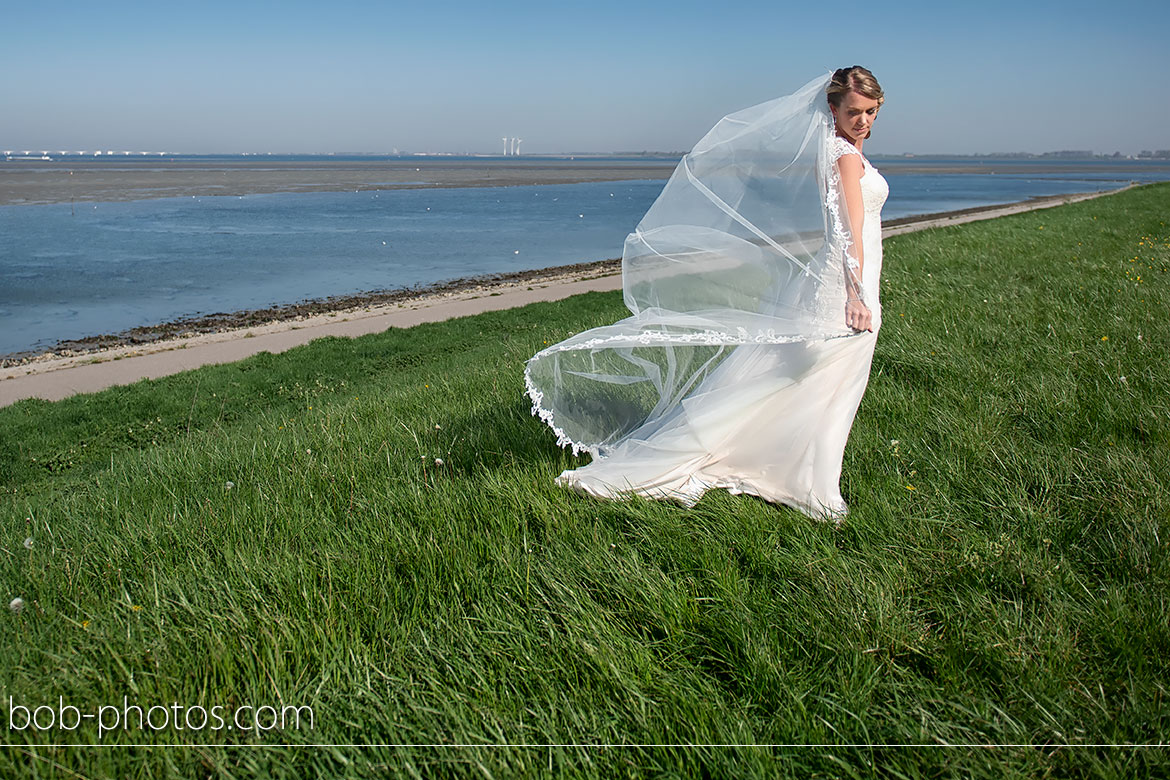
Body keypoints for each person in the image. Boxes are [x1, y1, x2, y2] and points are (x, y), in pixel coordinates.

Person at [524, 67, 889, 522]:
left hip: (844, 278)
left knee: (811, 378)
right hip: (845, 284)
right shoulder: (844, 156)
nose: (863, 121)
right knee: (816, 378)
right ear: (832, 109)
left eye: (871, 111)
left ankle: (799, 468)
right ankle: (808, 480)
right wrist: (856, 294)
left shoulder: (841, 149)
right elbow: (848, 231)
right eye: (853, 111)